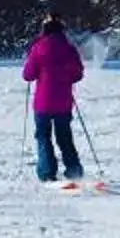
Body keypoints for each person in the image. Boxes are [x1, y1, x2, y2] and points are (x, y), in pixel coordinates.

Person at [23, 14, 87, 183]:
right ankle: (73, 170)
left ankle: (47, 172)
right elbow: (78, 73)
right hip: (63, 101)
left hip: (43, 102)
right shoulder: (69, 48)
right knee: (64, 136)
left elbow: (28, 75)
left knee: (43, 136)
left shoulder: (37, 47)